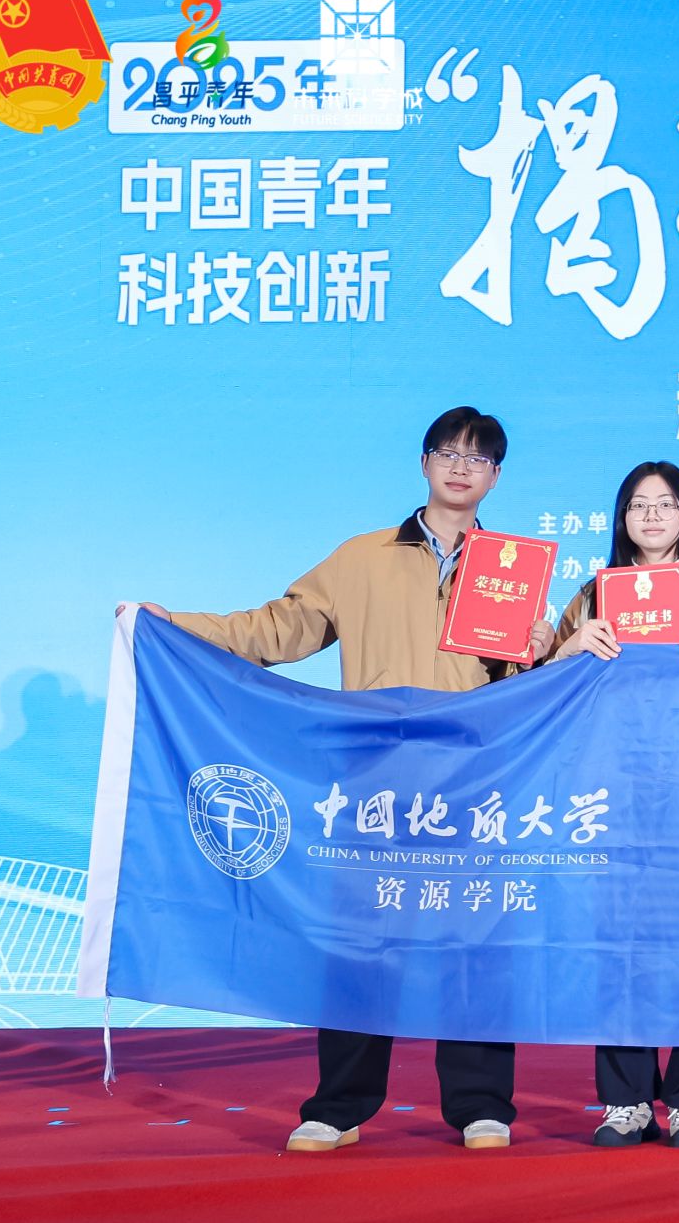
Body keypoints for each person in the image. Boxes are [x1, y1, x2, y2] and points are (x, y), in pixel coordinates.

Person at [133, 407, 552, 1153]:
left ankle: (481, 1105)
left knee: (474, 942)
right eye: (448, 452)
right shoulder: (362, 557)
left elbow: (525, 685)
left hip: (472, 781)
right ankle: (339, 1105)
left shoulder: (513, 570)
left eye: (478, 459)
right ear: (424, 463)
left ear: (495, 477)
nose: (461, 468)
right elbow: (282, 626)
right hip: (376, 780)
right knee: (361, 944)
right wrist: (181, 626)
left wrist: (542, 648)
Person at [547, 461, 679, 1149]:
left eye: (666, 504)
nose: (653, 516)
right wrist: (572, 649)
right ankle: (625, 1098)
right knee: (619, 952)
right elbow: (550, 698)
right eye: (639, 504)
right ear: (622, 518)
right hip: (614, 801)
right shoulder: (593, 596)